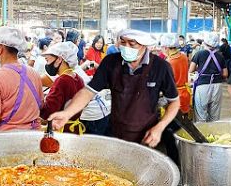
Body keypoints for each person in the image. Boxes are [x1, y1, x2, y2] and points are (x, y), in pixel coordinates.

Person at [49, 29, 180, 149]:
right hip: (116, 133)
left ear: (144, 45)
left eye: (132, 44)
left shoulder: (161, 67)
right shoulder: (110, 62)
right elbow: (88, 91)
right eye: (123, 42)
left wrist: (160, 127)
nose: (126, 47)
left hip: (148, 135)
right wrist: (68, 113)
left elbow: (174, 102)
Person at [66, 30, 111, 135]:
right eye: (98, 42)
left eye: (101, 43)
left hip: (94, 114)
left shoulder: (72, 73)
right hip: (95, 113)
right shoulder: (72, 73)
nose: (99, 44)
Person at [40, 42, 85, 133]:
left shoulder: (62, 81)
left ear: (59, 59)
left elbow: (48, 112)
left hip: (62, 131)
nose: (47, 64)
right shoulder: (78, 78)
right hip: (75, 130)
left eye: (47, 60)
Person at [189, 33, 228, 122]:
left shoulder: (199, 54)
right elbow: (225, 74)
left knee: (200, 115)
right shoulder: (220, 56)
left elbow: (191, 70)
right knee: (214, 115)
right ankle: (212, 134)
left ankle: (201, 134)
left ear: (205, 42)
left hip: (203, 86)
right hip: (217, 86)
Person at [161, 34, 191, 114]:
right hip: (185, 93)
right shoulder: (184, 57)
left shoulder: (168, 62)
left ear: (166, 48)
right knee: (184, 121)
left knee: (174, 123)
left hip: (173, 96)